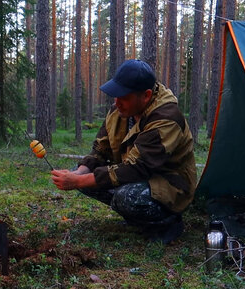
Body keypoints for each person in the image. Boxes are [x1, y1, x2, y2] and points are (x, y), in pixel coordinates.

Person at [51, 59, 197, 244]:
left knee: (126, 197)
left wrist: (79, 181)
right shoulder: (119, 111)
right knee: (82, 175)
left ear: (146, 95)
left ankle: (167, 222)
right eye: (116, 96)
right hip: (138, 178)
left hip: (170, 186)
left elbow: (137, 168)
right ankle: (137, 216)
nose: (117, 102)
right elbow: (99, 151)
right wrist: (78, 174)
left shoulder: (166, 118)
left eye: (124, 97)